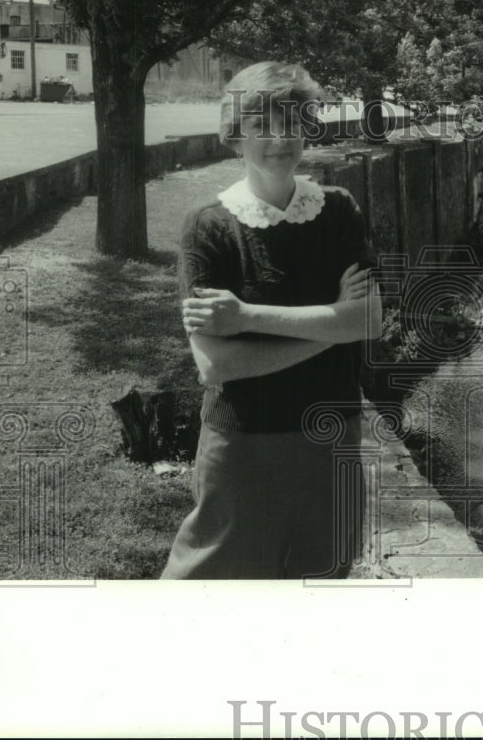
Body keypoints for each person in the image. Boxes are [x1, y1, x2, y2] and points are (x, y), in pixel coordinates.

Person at [161, 62, 380, 580]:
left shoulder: (338, 210)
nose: (280, 139)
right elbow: (217, 365)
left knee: (320, 582)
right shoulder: (209, 227)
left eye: (293, 123)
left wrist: (246, 316)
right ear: (235, 136)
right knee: (214, 586)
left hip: (331, 436)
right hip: (243, 445)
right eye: (262, 126)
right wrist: (333, 326)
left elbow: (370, 320)